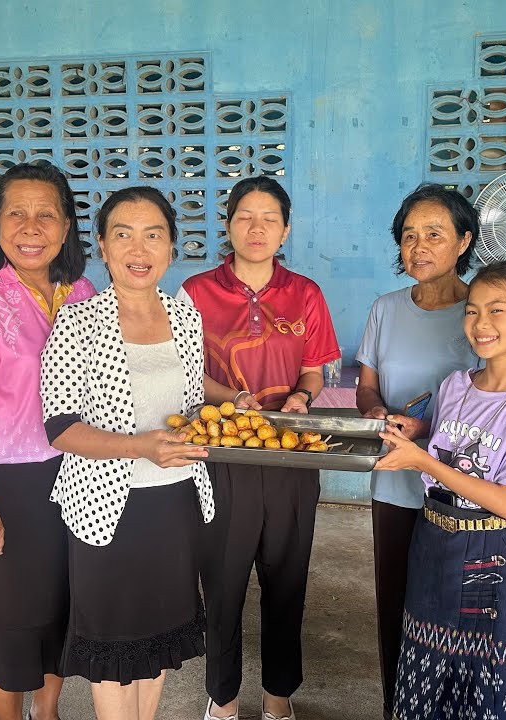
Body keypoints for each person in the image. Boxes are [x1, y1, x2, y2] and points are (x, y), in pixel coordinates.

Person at [40, 186, 248, 720]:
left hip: (175, 504)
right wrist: (141, 448)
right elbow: (60, 428)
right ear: (103, 250)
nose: (139, 248)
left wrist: (229, 406)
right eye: (123, 235)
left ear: (171, 249)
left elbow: (188, 392)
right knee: (113, 647)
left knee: (156, 642)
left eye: (153, 234)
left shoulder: (184, 316)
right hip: (106, 508)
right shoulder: (79, 321)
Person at [177, 176, 341, 720]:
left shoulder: (306, 293)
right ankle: (222, 700)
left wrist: (300, 396)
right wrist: (233, 399)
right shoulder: (197, 292)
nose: (257, 227)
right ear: (228, 224)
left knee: (287, 581)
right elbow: (184, 374)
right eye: (245, 216)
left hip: (292, 457)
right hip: (222, 457)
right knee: (221, 584)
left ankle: (278, 699)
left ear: (285, 228)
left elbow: (314, 370)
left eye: (269, 218)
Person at [376, 261, 506, 720]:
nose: (481, 324)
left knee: (485, 681)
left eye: (497, 310)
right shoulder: (456, 384)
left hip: (491, 553)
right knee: (426, 662)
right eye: (473, 311)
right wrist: (420, 428)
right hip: (433, 542)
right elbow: (457, 437)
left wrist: (423, 461)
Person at [0, 163, 94, 720]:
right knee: (4, 616)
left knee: (60, 610)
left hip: (76, 478)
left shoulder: (81, 291)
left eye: (46, 214)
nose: (32, 227)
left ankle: (46, 713)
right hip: (3, 480)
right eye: (17, 214)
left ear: (67, 224)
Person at [353, 183, 480, 720]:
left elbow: (497, 399)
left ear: (463, 241)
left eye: (435, 233)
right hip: (395, 484)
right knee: (396, 607)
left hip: (462, 493)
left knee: (453, 611)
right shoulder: (385, 309)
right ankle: (394, 707)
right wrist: (377, 412)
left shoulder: (482, 312)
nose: (420, 246)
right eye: (409, 236)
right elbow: (367, 387)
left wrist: (426, 425)